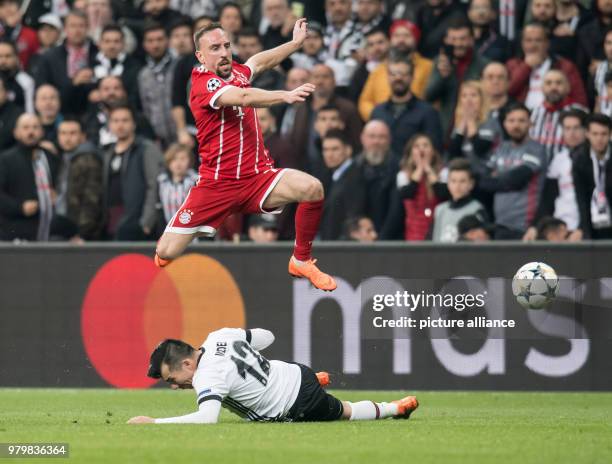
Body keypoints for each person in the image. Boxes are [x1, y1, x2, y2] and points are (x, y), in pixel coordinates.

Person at [155, 20, 338, 292]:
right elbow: (242, 97)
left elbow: (260, 61)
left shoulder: (238, 71)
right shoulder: (203, 84)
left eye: (227, 46)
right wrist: (284, 95)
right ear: (201, 56)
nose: (224, 52)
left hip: (257, 178)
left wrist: (295, 44)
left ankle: (301, 260)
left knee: (312, 188)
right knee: (166, 253)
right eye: (215, 48)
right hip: (216, 186)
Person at [127, 327, 418, 424]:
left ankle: (396, 408)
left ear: (189, 364)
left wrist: (154, 422)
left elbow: (207, 418)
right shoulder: (218, 336)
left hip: (294, 404)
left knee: (345, 411)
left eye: (172, 379)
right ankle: (316, 380)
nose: (175, 387)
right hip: (295, 372)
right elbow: (267, 336)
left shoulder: (206, 378)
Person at [479, 103, 547, 239]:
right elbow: (483, 181)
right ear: (504, 124)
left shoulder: (536, 149)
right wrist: (503, 181)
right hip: (500, 224)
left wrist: (498, 179)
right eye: (511, 120)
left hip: (525, 227)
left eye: (521, 121)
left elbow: (515, 181)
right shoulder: (501, 148)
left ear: (530, 124)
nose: (516, 125)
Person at [102, 105, 163, 241]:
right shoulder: (107, 152)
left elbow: (155, 185)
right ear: (110, 125)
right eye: (116, 121)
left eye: (125, 120)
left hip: (137, 224)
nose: (120, 125)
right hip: (111, 222)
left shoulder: (147, 149)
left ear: (134, 124)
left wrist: (147, 222)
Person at [525, 109, 586, 241]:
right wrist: (535, 226)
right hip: (560, 229)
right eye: (567, 128)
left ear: (585, 130)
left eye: (576, 128)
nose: (572, 133)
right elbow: (548, 197)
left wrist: (583, 228)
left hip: (584, 228)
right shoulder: (559, 159)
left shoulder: (595, 160)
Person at [425, 17, 490, 137]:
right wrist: (442, 77)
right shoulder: (439, 63)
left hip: (476, 129)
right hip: (446, 130)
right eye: (453, 39)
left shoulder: (484, 65)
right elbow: (429, 96)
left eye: (463, 39)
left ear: (471, 39)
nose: (458, 44)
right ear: (446, 40)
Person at [358, 19, 433, 120]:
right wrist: (379, 117)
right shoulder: (379, 69)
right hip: (382, 127)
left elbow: (435, 101)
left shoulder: (428, 67)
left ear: (415, 39)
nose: (401, 40)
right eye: (396, 36)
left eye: (407, 35)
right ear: (390, 40)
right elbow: (365, 101)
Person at [0, 113, 58, 241]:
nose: (31, 132)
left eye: (35, 127)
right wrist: (19, 207)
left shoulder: (50, 157)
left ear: (42, 131)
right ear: (16, 132)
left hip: (47, 228)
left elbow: (58, 185)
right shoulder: (5, 159)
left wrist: (55, 195)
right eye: (25, 128)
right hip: (13, 230)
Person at [371, 55, 442, 155]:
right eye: (393, 74)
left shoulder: (428, 112)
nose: (398, 78)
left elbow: (434, 149)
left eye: (404, 74)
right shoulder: (378, 112)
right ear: (387, 77)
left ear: (412, 77)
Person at [506, 22, 587, 110]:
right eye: (528, 40)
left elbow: (580, 100)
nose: (533, 45)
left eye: (538, 40)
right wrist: (526, 67)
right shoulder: (512, 65)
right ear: (522, 43)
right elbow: (507, 91)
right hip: (520, 119)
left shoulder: (564, 66)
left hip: (555, 116)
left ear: (547, 43)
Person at [54, 118, 103, 240]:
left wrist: (83, 233)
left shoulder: (88, 159)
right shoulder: (63, 157)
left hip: (78, 230)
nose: (67, 138)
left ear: (83, 136)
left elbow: (92, 198)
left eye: (72, 133)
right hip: (64, 224)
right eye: (63, 133)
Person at [396, 133, 448, 241]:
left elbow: (443, 194)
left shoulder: (443, 172)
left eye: (425, 145)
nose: (421, 149)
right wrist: (419, 169)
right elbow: (407, 194)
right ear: (411, 152)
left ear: (433, 151)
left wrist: (428, 169)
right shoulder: (403, 175)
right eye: (417, 146)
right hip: (414, 232)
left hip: (438, 228)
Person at [318, 129, 366, 240]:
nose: (329, 154)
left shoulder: (355, 177)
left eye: (335, 149)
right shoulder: (329, 175)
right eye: (325, 150)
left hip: (342, 247)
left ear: (348, 150)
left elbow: (353, 216)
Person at [529, 69, 586, 161]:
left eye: (559, 83)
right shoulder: (532, 113)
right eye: (549, 83)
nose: (553, 87)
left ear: (568, 87)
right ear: (542, 88)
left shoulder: (581, 113)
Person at [572, 113, 612, 239]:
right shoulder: (580, 159)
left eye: (603, 134)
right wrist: (585, 231)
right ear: (587, 134)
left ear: (610, 134)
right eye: (595, 134)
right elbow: (581, 198)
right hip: (592, 220)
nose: (599, 139)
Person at [431, 159, 485, 242]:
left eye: (462, 181)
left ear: (471, 184)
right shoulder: (440, 210)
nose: (457, 186)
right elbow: (434, 240)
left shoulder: (477, 210)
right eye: (453, 181)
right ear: (448, 183)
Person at [157, 143, 199, 228]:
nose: (178, 163)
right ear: (169, 162)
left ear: (190, 161)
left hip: (192, 230)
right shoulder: (161, 182)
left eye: (182, 159)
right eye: (174, 159)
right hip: (169, 228)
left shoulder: (196, 181)